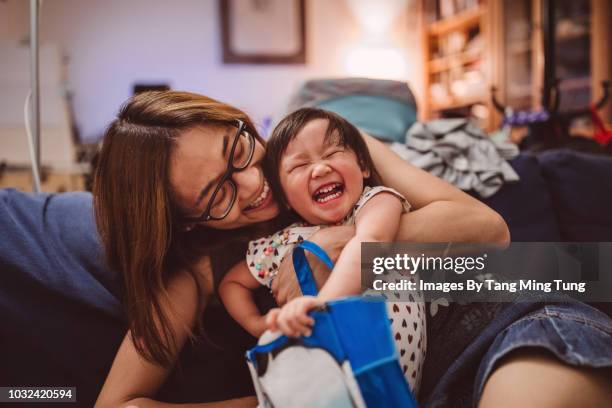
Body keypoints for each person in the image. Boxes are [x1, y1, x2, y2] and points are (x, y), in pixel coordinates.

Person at [90, 91, 611, 407]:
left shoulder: (322, 143)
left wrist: (336, 240)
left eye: (239, 147)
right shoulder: (203, 269)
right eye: (218, 194)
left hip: (503, 318)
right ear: (183, 222)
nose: (254, 182)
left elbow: (487, 230)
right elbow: (118, 404)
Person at [218, 108, 426, 392]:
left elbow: (371, 241)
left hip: (383, 381)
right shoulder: (284, 243)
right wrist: (260, 325)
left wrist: (321, 305)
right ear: (285, 197)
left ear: (363, 165)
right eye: (299, 166)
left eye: (331, 154)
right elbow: (232, 283)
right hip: (319, 385)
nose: (320, 168)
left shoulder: (375, 201)